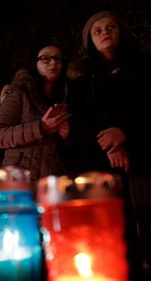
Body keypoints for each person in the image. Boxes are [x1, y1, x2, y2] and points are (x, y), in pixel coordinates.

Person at [68, 10, 151, 279]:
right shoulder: (81, 79)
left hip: (143, 157)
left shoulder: (143, 66)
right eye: (97, 30)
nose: (105, 33)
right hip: (102, 164)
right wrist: (111, 144)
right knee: (118, 236)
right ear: (89, 40)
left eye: (110, 27)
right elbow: (79, 122)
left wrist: (125, 134)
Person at [0, 42, 70, 181]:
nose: (53, 62)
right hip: (18, 181)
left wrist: (65, 136)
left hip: (51, 183)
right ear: (35, 64)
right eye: (46, 58)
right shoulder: (20, 94)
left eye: (58, 59)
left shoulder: (65, 97)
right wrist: (41, 128)